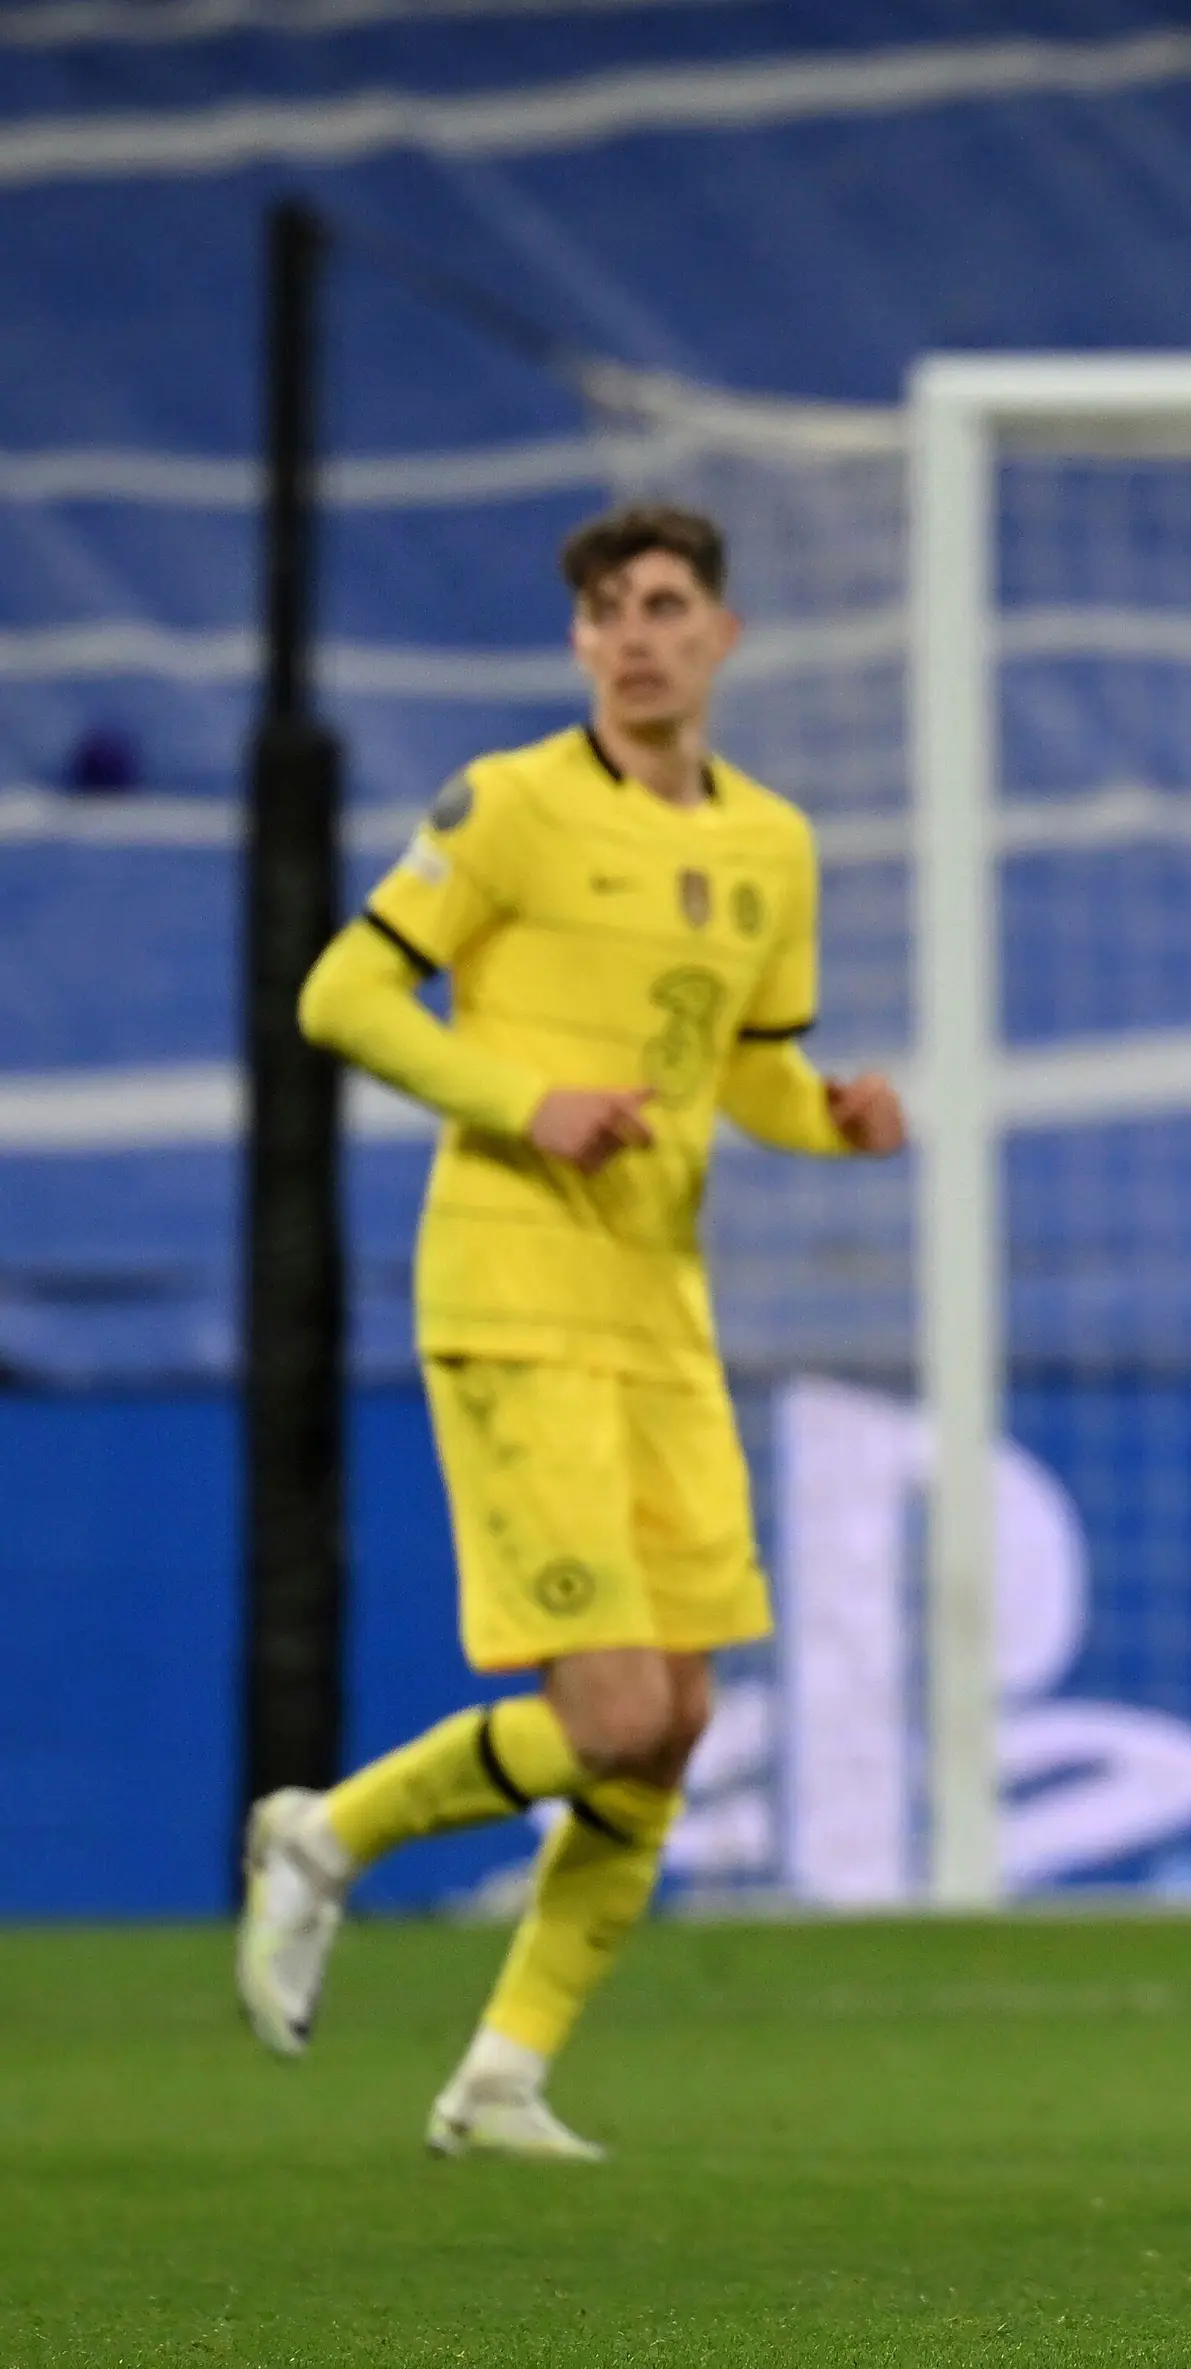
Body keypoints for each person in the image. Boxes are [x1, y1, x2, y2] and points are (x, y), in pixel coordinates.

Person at [235, 503, 907, 2157]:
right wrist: (526, 1100)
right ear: (579, 643)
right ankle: (324, 1836)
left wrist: (830, 1117)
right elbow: (341, 994)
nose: (635, 636)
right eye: (607, 611)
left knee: (674, 1725)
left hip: (660, 1313)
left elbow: (744, 1067)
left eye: (664, 605)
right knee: (610, 1716)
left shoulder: (772, 844)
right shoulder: (510, 806)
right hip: (515, 1288)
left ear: (721, 635)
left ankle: (501, 2078)